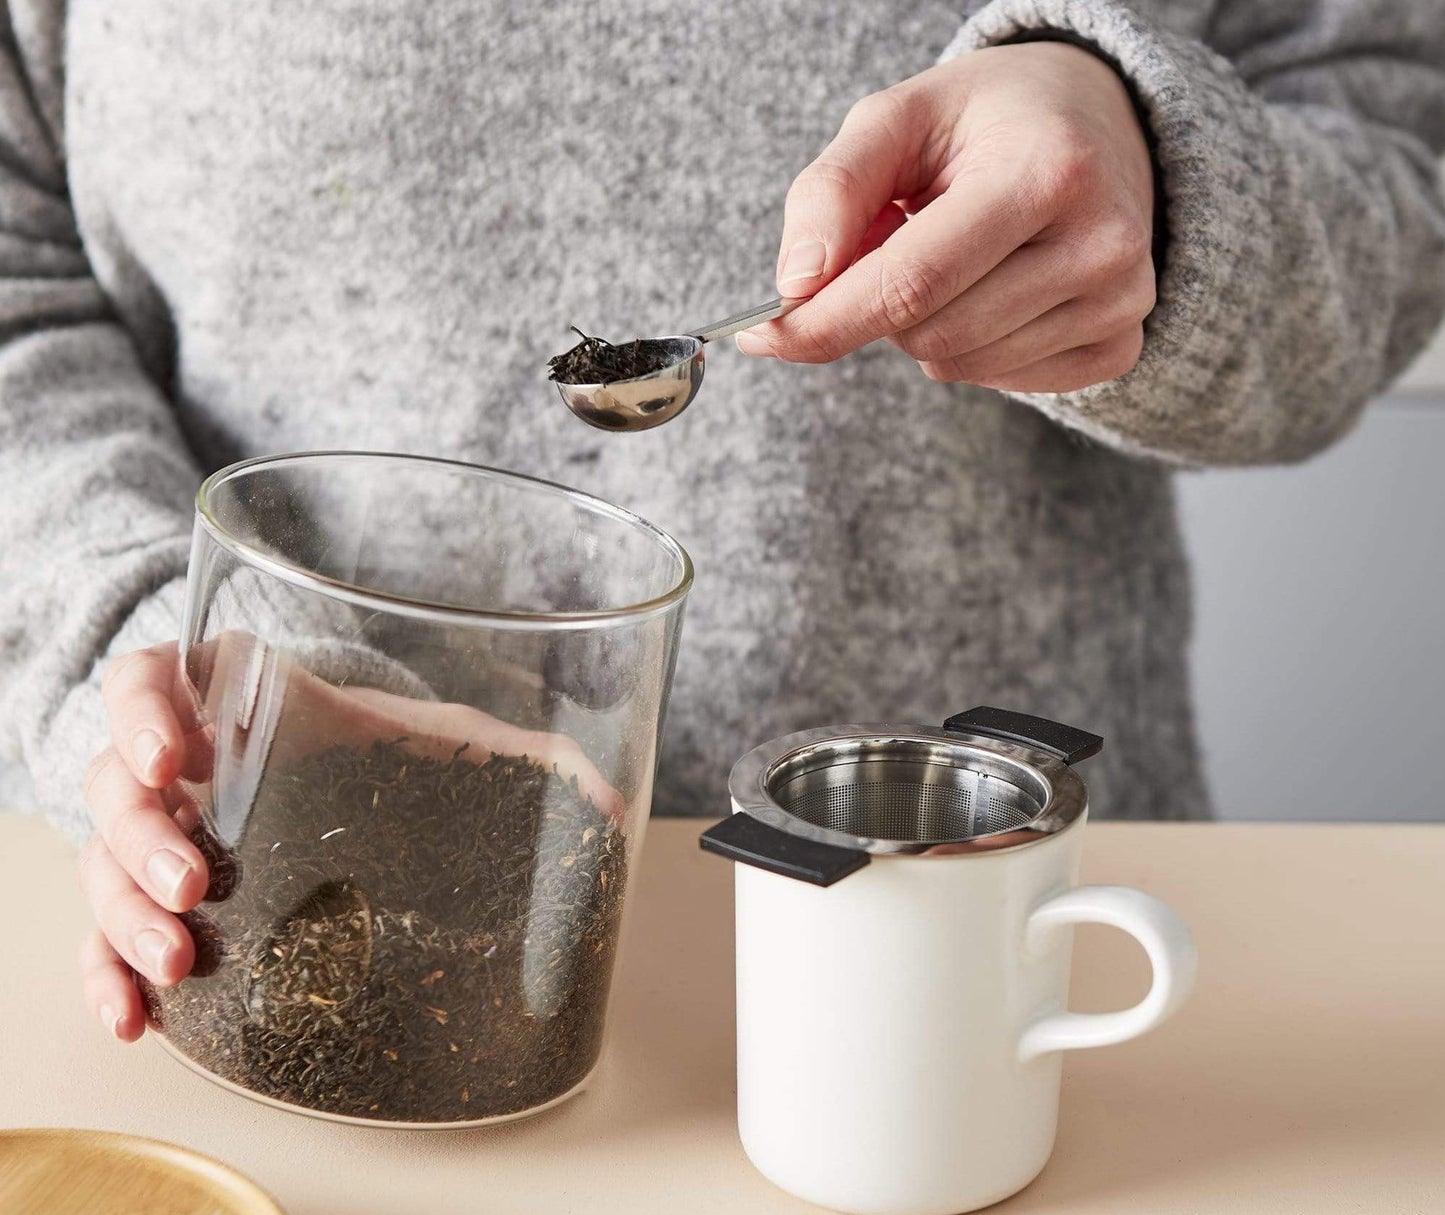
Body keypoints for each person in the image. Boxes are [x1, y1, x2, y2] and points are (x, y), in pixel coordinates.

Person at [1, 1, 1442, 1041]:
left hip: (983, 969)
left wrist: (1158, 181)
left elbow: (1392, 146)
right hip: (300, 927)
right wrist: (143, 657)